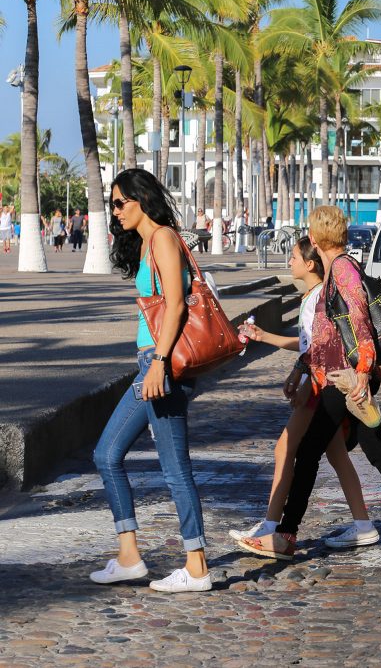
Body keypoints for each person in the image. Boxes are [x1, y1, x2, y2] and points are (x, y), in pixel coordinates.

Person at [245, 205, 381, 558]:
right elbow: (327, 335)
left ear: (318, 237)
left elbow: (360, 321)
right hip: (339, 375)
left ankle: (286, 535)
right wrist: (303, 366)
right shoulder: (338, 269)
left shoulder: (343, 268)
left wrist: (362, 373)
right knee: (376, 452)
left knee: (307, 453)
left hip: (346, 378)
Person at [90, 168, 211, 593]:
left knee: (176, 468)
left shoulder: (162, 237)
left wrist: (158, 362)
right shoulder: (145, 243)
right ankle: (129, 557)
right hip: (150, 362)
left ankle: (196, 567)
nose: (116, 210)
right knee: (106, 454)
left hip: (163, 364)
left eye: (121, 202)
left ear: (142, 199)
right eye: (112, 204)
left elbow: (176, 307)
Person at [229, 237, 379, 557]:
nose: (290, 262)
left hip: (320, 387)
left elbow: (316, 350)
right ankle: (363, 524)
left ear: (309, 265)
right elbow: (307, 349)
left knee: (286, 448)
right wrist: (277, 349)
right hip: (319, 384)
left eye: (294, 257)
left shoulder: (315, 300)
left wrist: (302, 378)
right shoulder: (312, 297)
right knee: (337, 457)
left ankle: (272, 527)